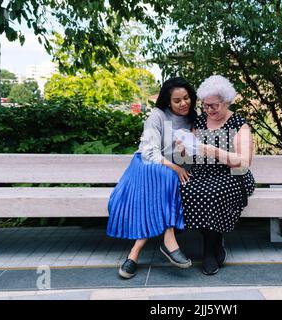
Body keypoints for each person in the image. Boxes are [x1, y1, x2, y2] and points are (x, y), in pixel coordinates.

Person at [106, 77, 197, 279]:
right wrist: (174, 166)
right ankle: (169, 241)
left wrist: (184, 153)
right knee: (168, 177)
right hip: (145, 166)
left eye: (186, 98)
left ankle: (134, 254)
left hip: (168, 174)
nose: (184, 103)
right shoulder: (156, 116)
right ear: (167, 101)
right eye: (177, 100)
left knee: (164, 184)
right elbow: (148, 151)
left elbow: (190, 156)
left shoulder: (193, 119)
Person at [179, 75, 255, 275]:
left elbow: (244, 162)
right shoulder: (200, 121)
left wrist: (214, 151)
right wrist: (183, 149)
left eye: (214, 106)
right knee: (186, 190)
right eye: (205, 106)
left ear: (227, 102)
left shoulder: (240, 124)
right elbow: (191, 153)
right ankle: (215, 242)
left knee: (213, 193)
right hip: (202, 172)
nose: (209, 110)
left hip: (232, 175)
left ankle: (209, 251)